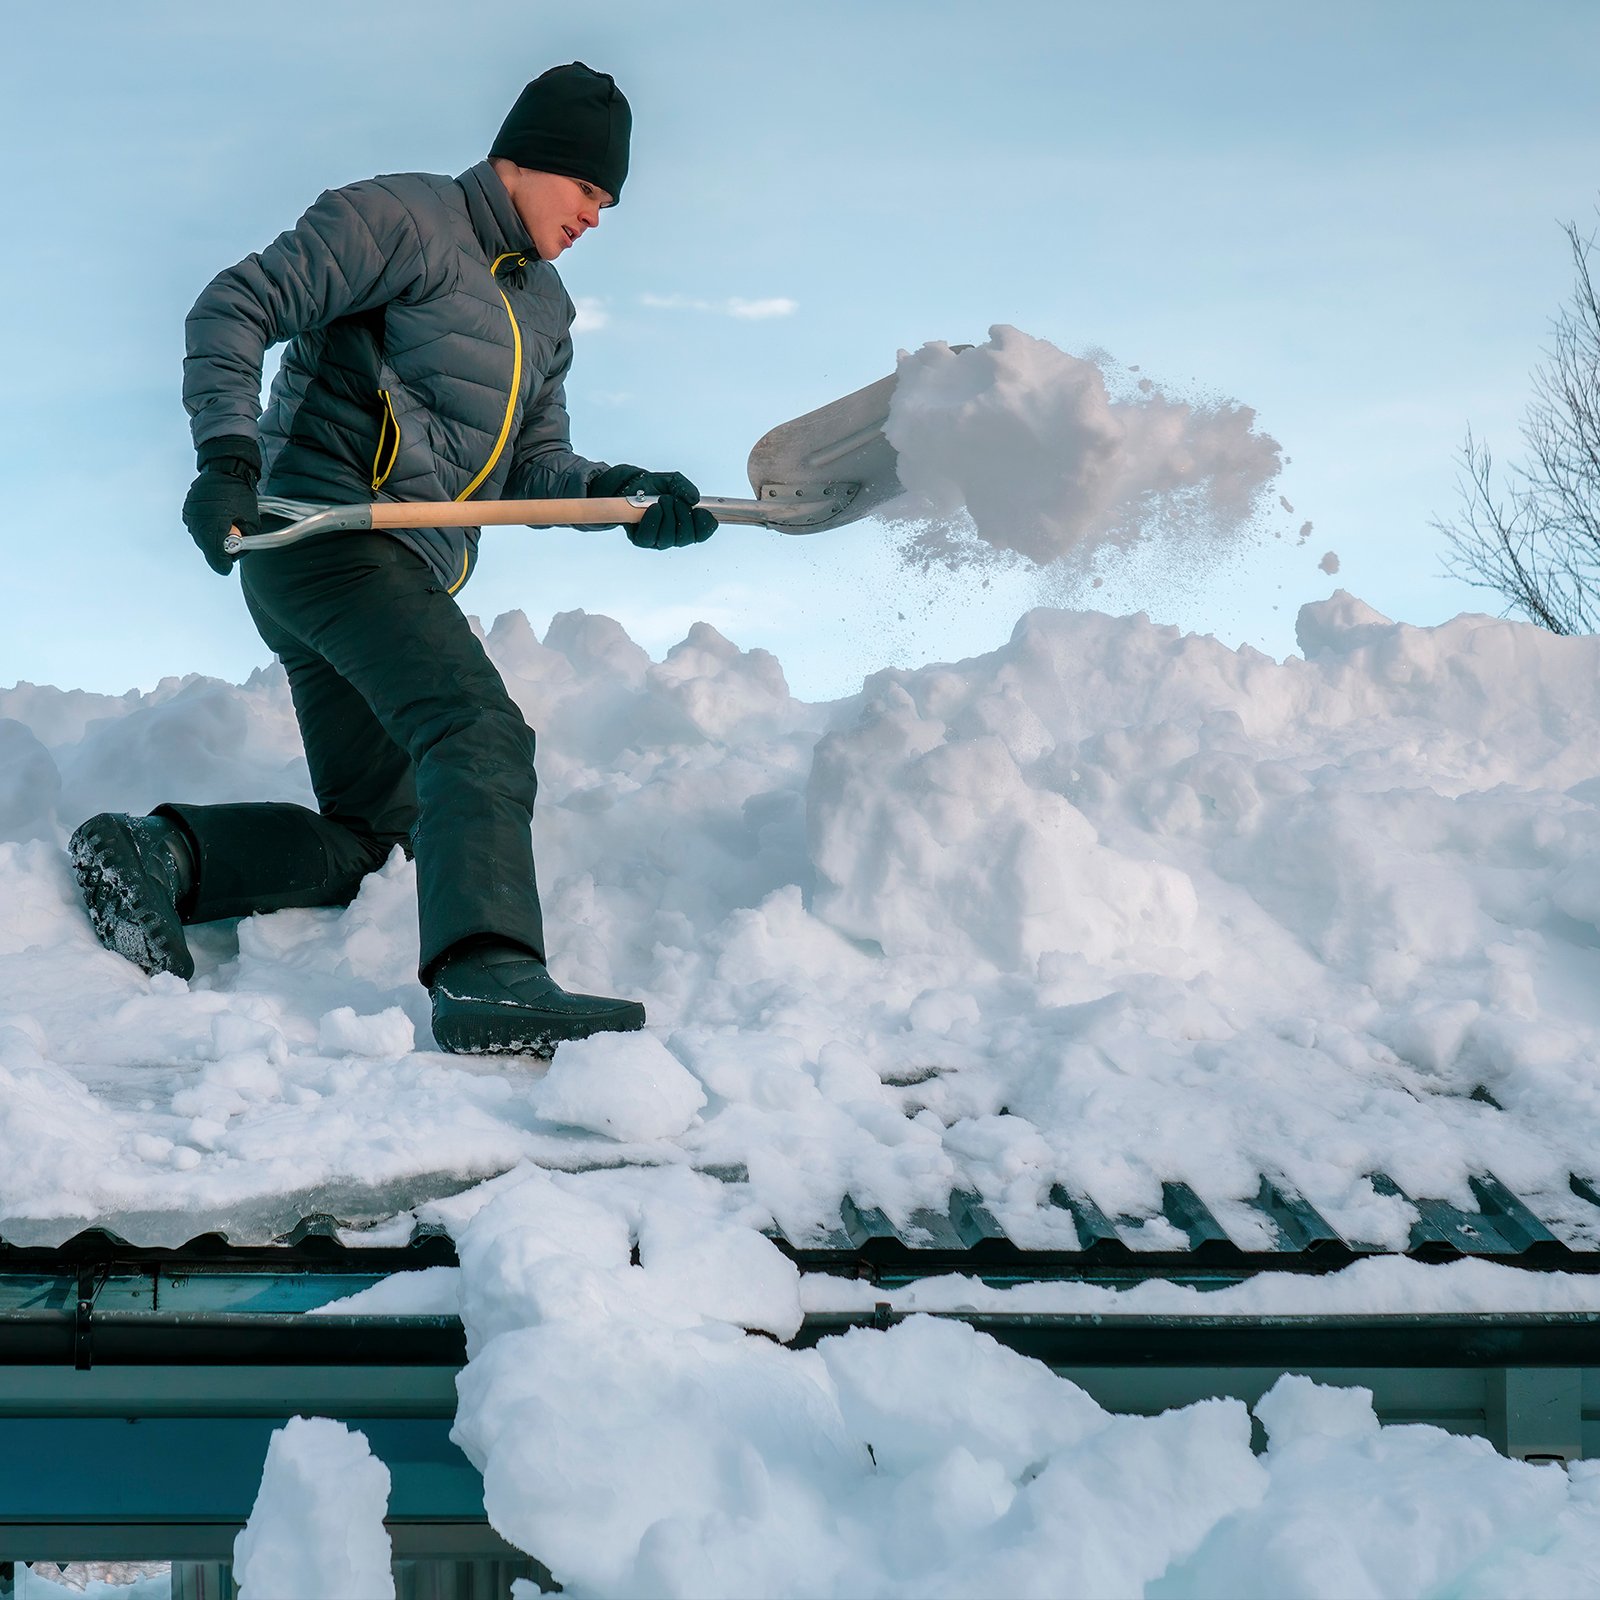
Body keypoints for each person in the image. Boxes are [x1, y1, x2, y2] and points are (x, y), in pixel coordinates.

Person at [68, 62, 716, 1056]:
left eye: (609, 198)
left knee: (380, 842)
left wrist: (627, 496)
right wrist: (226, 460)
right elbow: (233, 305)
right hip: (324, 532)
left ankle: (161, 854)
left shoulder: (547, 314)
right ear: (526, 159)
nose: (597, 213)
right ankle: (489, 974)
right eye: (587, 186)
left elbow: (531, 472)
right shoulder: (405, 218)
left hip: (383, 568)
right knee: (476, 728)